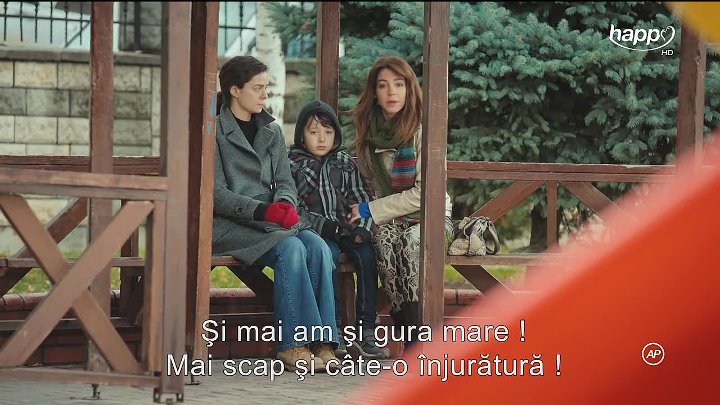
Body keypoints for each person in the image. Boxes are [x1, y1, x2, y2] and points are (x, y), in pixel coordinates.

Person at [211, 56, 339, 371]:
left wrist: (283, 203)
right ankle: (292, 345)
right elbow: (216, 195)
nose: (265, 94)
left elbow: (285, 181)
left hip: (272, 220)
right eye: (258, 88)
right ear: (235, 90)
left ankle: (322, 343)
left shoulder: (271, 130)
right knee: (291, 248)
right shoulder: (213, 131)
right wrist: (264, 210)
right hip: (229, 225)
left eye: (266, 87)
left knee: (318, 247)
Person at [347, 55, 453, 349]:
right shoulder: (369, 135)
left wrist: (371, 209)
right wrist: (363, 208)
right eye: (383, 85)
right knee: (383, 242)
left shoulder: (423, 130)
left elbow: (425, 193)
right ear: (374, 93)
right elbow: (369, 184)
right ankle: (410, 333)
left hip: (431, 217)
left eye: (399, 84)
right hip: (391, 220)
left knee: (412, 243)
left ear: (409, 89)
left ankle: (422, 339)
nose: (391, 92)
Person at [288, 100, 389, 360]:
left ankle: (366, 328)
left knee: (367, 257)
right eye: (314, 132)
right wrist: (324, 226)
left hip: (347, 228)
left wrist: (363, 229)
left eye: (328, 132)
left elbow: (360, 197)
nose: (322, 138)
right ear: (301, 136)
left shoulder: (345, 162)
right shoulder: (294, 164)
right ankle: (332, 329)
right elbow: (294, 209)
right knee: (328, 259)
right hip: (318, 233)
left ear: (336, 135)